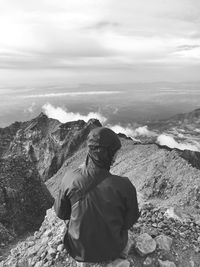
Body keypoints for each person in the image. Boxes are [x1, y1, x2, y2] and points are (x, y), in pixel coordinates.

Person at [54, 127, 140, 266]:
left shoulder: (69, 177)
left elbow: (61, 213)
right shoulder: (125, 185)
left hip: (78, 249)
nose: (117, 156)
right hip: (114, 248)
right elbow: (129, 222)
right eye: (115, 153)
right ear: (108, 154)